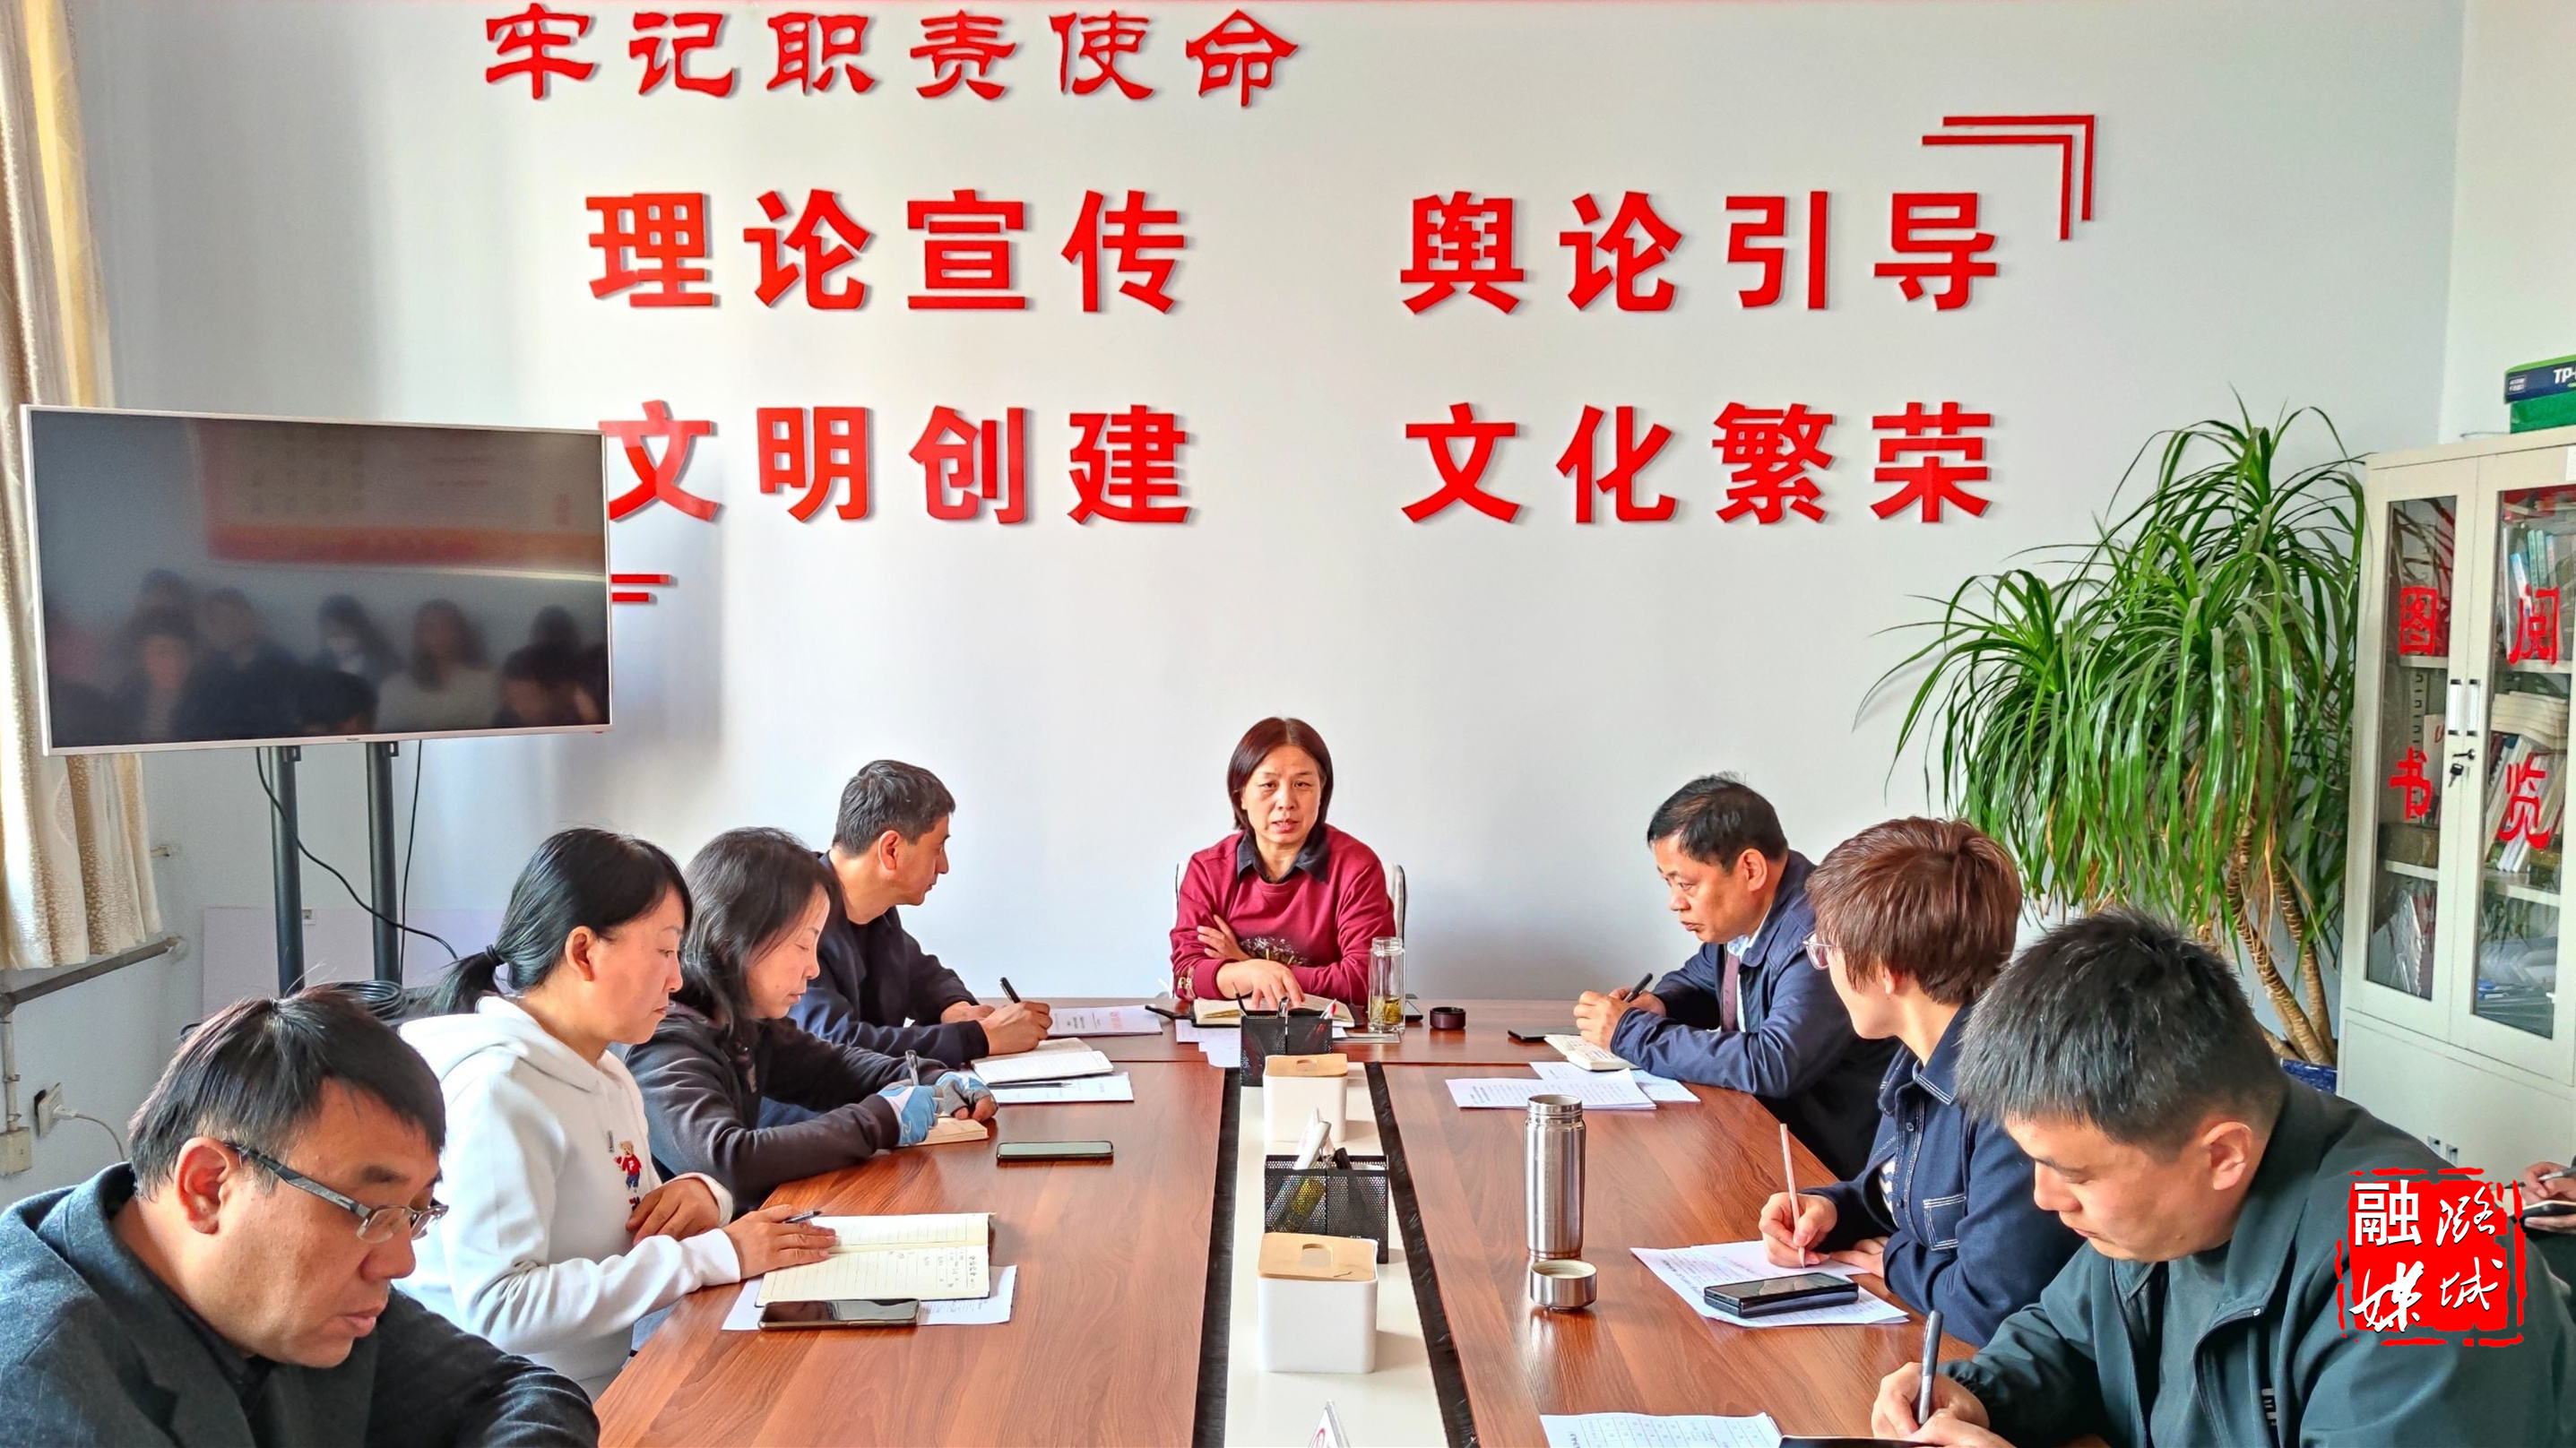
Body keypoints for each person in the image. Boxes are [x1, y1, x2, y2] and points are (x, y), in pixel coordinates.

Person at [1873, 909, 2576, 1447]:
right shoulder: (2161, 1203)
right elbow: (2067, 1337)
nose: (2044, 1196)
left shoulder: (2435, 1272)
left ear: (2222, 1156)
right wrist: (1977, 1393)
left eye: (2072, 1173)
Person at [0, 987, 596, 1445]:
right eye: (372, 1210)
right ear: (208, 1187)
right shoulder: (40, 1391)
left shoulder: (296, 1297)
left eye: (415, 1212)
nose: (401, 1262)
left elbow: (522, 1392)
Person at [399, 829, 837, 1398]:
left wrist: (704, 1195)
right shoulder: (499, 1091)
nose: (677, 978)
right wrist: (715, 1254)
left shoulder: (606, 1073)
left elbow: (641, 1220)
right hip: (510, 1410)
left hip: (596, 1384)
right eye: (665, 951)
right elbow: (503, 1308)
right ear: (583, 952)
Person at [1755, 818, 2079, 1347]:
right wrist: (1834, 1210)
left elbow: (1991, 1307)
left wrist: (1894, 1258)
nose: (1824, 966)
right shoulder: (1918, 1058)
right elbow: (1899, 1194)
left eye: (1828, 949)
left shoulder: (2012, 1099)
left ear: (1888, 969)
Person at [630, 826, 998, 1207]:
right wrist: (881, 1120)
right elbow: (728, 1162)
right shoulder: (662, 1043)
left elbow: (834, 1067)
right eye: (802, 945)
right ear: (731, 943)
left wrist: (932, 1076)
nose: (813, 968)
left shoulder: (745, 1023)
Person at [1572, 775, 1894, 1177]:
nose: (1675, 902)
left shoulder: (1817, 936)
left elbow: (1773, 1062)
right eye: (1669, 883)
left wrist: (1632, 1034)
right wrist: (1660, 1004)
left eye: (1686, 884)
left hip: (1827, 1169)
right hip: (1764, 1141)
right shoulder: (1748, 918)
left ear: (1751, 869)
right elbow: (1702, 980)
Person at [791, 761, 1050, 1073]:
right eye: (937, 848)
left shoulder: (876, 910)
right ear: (891, 850)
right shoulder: (793, 919)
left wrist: (956, 1008)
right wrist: (980, 1038)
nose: (944, 866)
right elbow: (836, 1043)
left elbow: (923, 975)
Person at [1169, 717, 1396, 1014]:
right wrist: (1253, 973)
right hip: (1230, 1032)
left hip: (1328, 1034)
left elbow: (1366, 980)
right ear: (1241, 795)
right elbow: (1186, 976)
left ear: (1322, 792)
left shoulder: (1357, 868)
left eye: (1302, 784)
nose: (1286, 801)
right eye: (1268, 785)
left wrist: (1248, 967)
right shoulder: (1208, 870)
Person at [180, 588, 305, 740]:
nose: (228, 626)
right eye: (218, 620)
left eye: (234, 616)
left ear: (251, 618)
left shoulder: (285, 667)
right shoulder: (208, 672)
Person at [376, 599, 498, 735]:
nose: (440, 635)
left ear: (461, 633)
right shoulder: (394, 687)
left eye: (446, 627)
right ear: (418, 636)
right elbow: (386, 736)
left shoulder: (486, 681)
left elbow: (490, 731)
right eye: (430, 628)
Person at [311, 593, 401, 685]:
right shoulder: (318, 664)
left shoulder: (383, 663)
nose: (339, 640)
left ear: (360, 629)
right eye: (333, 634)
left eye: (345, 632)